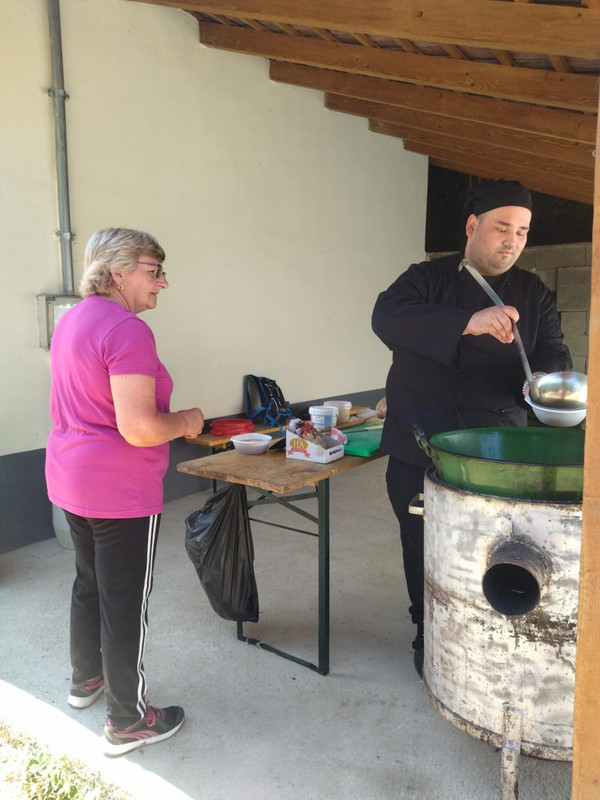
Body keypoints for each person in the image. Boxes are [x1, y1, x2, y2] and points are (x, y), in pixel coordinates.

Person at [371, 179, 572, 677]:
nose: (512, 240)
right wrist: (468, 321)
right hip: (419, 442)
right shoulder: (425, 279)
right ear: (471, 225)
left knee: (492, 549)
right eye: (502, 227)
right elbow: (386, 317)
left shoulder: (534, 292)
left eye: (522, 231)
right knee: (421, 544)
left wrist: (541, 377)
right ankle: (427, 631)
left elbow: (553, 350)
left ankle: (484, 637)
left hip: (497, 450)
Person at [45, 228, 205, 756]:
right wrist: (187, 421)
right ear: (118, 274)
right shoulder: (127, 329)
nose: (162, 282)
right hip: (118, 490)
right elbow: (139, 428)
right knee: (123, 602)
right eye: (152, 271)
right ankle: (128, 721)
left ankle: (86, 679)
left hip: (70, 477)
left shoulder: (73, 320)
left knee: (89, 582)